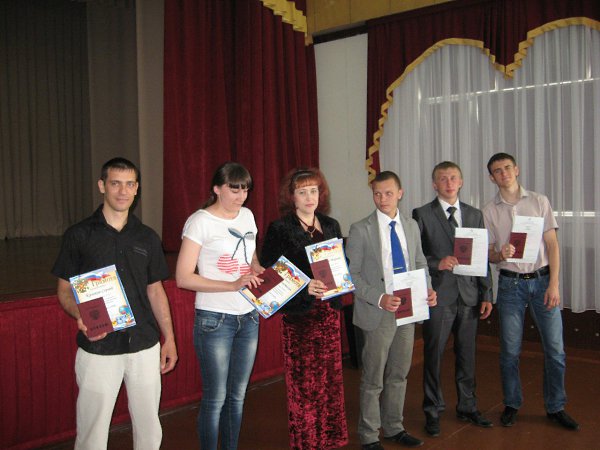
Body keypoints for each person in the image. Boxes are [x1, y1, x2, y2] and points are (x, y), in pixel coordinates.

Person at [52, 157, 178, 449]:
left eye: (129, 184)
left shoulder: (147, 237)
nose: (123, 191)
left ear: (137, 189)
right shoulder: (79, 235)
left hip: (144, 345)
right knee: (92, 431)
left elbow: (156, 290)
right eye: (115, 183)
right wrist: (80, 315)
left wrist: (169, 338)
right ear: (102, 186)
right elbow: (64, 290)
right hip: (99, 346)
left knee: (149, 428)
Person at [482, 152, 579, 430]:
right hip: (510, 284)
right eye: (497, 171)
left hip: (542, 281)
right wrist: (499, 254)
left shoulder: (539, 201)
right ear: (492, 178)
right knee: (510, 351)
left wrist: (554, 284)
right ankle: (512, 403)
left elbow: (552, 245)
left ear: (517, 170)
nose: (504, 173)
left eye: (507, 168)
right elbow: (488, 253)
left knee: (556, 350)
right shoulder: (488, 210)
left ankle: (556, 406)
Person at [175, 162, 265, 450]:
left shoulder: (247, 216)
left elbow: (251, 255)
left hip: (249, 316)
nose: (241, 196)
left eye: (245, 190)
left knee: (237, 396)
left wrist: (257, 268)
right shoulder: (200, 221)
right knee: (215, 398)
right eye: (234, 189)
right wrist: (232, 285)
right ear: (216, 189)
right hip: (215, 318)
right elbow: (183, 278)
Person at [346, 170, 437, 450]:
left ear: (400, 193)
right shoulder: (360, 229)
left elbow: (420, 263)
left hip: (408, 309)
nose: (382, 199)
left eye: (388, 193)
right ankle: (369, 435)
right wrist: (379, 298)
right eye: (377, 194)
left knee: (399, 374)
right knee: (373, 378)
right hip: (378, 312)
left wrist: (427, 288)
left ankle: (394, 427)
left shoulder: (411, 225)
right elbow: (352, 276)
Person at [260, 168, 348, 450]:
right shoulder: (280, 228)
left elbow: (340, 263)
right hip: (300, 317)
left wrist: (343, 278)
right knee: (305, 385)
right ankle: (308, 442)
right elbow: (270, 273)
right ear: (292, 197)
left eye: (314, 191)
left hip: (329, 312)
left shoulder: (331, 224)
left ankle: (330, 439)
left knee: (330, 381)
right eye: (302, 192)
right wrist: (303, 286)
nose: (309, 197)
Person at [412, 161, 493, 437]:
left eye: (453, 178)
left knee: (467, 355)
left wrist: (486, 293)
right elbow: (416, 256)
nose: (449, 183)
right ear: (434, 184)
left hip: (469, 295)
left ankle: (468, 406)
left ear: (461, 182)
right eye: (443, 179)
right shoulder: (422, 214)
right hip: (438, 295)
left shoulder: (474, 214)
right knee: (433, 354)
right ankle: (432, 409)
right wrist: (438, 263)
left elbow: (481, 256)